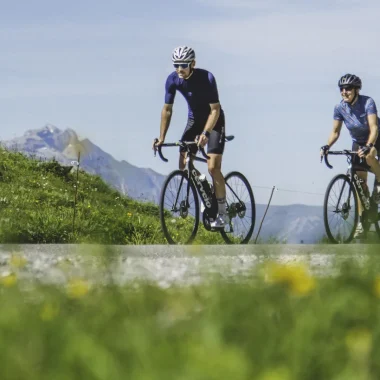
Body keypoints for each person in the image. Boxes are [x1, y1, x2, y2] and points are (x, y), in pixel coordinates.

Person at [153, 46, 228, 228]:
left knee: (213, 167)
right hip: (194, 121)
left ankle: (223, 212)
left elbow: (215, 110)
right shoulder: (172, 80)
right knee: (184, 164)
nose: (179, 69)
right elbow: (167, 109)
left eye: (183, 65)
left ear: (192, 64)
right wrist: (161, 137)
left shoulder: (206, 78)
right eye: (176, 65)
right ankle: (205, 193)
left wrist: (206, 133)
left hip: (214, 121)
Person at [320, 73, 380, 238]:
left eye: (348, 89)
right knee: (359, 182)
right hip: (359, 142)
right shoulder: (340, 108)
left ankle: (379, 183)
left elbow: (374, 128)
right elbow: (335, 132)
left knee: (369, 157)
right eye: (342, 89)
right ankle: (362, 220)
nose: (344, 92)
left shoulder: (367, 102)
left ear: (356, 90)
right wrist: (327, 146)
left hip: (375, 139)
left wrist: (369, 146)